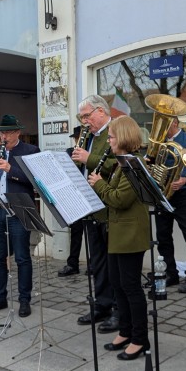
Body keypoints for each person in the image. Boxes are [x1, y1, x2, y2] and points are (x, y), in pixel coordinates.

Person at [88, 116, 150, 360]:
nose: (109, 141)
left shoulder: (135, 164)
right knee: (117, 283)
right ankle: (125, 330)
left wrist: (99, 184)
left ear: (123, 137)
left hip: (130, 235)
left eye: (111, 137)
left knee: (131, 287)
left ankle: (140, 338)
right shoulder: (120, 163)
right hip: (117, 234)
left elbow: (119, 199)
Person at [0, 114, 40, 317]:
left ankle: (25, 300)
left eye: (8, 132)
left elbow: (35, 181)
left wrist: (10, 169)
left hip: (19, 209)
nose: (4, 135)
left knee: (22, 257)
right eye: (2, 132)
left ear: (18, 132)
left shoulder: (30, 151)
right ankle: (0, 298)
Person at [72, 95, 118, 333]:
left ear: (101, 111)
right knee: (97, 261)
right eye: (82, 118)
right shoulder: (88, 136)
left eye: (87, 116)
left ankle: (119, 310)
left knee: (114, 263)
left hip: (110, 207)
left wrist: (88, 158)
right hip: (90, 206)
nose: (85, 121)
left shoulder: (116, 131)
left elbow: (117, 164)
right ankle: (102, 305)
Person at [153, 116, 186, 293]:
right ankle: (170, 273)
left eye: (164, 123)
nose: (160, 127)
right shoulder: (158, 142)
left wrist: (185, 179)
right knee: (163, 236)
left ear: (175, 123)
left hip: (183, 195)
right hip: (163, 195)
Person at [57, 126, 84, 277]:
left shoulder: (89, 153)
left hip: (91, 195)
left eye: (79, 137)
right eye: (76, 138)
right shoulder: (69, 152)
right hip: (75, 197)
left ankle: (94, 263)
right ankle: (72, 263)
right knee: (75, 232)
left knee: (93, 233)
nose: (77, 140)